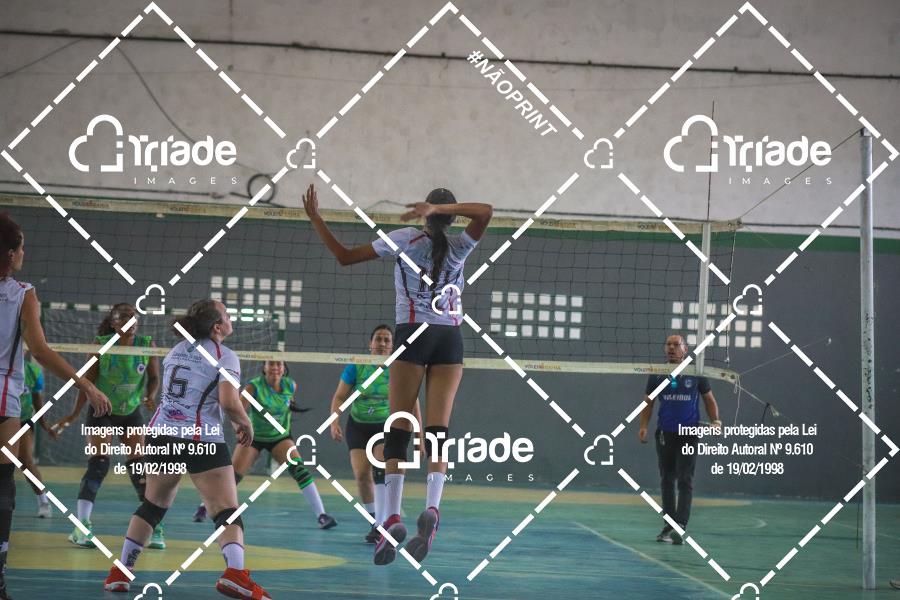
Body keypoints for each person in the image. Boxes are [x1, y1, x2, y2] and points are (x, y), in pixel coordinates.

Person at [303, 183, 492, 565]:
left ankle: (391, 517)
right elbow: (486, 211)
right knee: (437, 431)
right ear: (451, 216)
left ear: (426, 213)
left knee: (398, 429)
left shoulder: (406, 238)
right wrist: (440, 210)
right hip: (450, 338)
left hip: (413, 333)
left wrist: (316, 218)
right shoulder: (460, 245)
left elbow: (344, 257)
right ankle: (433, 508)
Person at [104, 299, 271, 599]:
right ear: (217, 327)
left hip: (160, 435)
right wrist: (245, 422)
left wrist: (231, 419)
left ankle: (120, 573)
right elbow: (229, 402)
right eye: (227, 315)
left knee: (153, 505)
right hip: (199, 439)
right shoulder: (225, 356)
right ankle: (236, 574)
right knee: (226, 510)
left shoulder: (178, 350)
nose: (231, 318)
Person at [0, 213, 111, 600]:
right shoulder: (22, 293)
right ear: (11, 253)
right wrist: (86, 385)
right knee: (3, 483)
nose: (24, 254)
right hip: (2, 398)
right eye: (22, 248)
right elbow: (40, 350)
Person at [54, 303, 163, 549]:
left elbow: (154, 377)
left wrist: (151, 395)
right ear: (113, 323)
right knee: (99, 465)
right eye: (123, 316)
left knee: (139, 467)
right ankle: (82, 526)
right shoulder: (101, 344)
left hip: (130, 412)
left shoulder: (147, 344)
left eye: (133, 316)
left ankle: (154, 527)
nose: (130, 320)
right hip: (102, 412)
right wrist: (73, 415)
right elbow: (87, 383)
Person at [194, 360, 337, 529]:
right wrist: (240, 430)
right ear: (264, 367)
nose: (275, 368)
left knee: (300, 470)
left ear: (284, 368)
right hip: (254, 437)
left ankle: (322, 515)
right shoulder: (253, 387)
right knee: (232, 477)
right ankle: (203, 507)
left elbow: (287, 405)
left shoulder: (291, 385)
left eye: (278, 364)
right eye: (271, 364)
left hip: (280, 437)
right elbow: (237, 410)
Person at [329, 324, 423, 543]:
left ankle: (382, 525)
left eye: (387, 340)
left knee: (380, 468)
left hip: (384, 425)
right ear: (370, 344)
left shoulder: (397, 367)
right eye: (378, 339)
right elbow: (340, 396)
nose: (382, 343)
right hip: (358, 425)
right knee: (362, 475)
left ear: (392, 345)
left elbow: (413, 402)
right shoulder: (357, 366)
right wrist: (334, 422)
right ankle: (374, 521)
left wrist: (419, 436)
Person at [638, 333, 721, 544]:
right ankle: (668, 526)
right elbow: (648, 402)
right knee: (667, 479)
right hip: (665, 434)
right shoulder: (657, 374)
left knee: (685, 479)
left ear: (685, 349)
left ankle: (680, 526)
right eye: (668, 344)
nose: (672, 348)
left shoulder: (696, 373)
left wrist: (716, 421)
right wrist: (644, 426)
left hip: (688, 434)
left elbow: (709, 399)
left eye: (676, 345)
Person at [16, 351, 57, 518]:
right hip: (4, 418)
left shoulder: (32, 371)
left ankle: (43, 501)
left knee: (26, 461)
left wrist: (44, 424)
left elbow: (37, 400)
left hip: (22, 420)